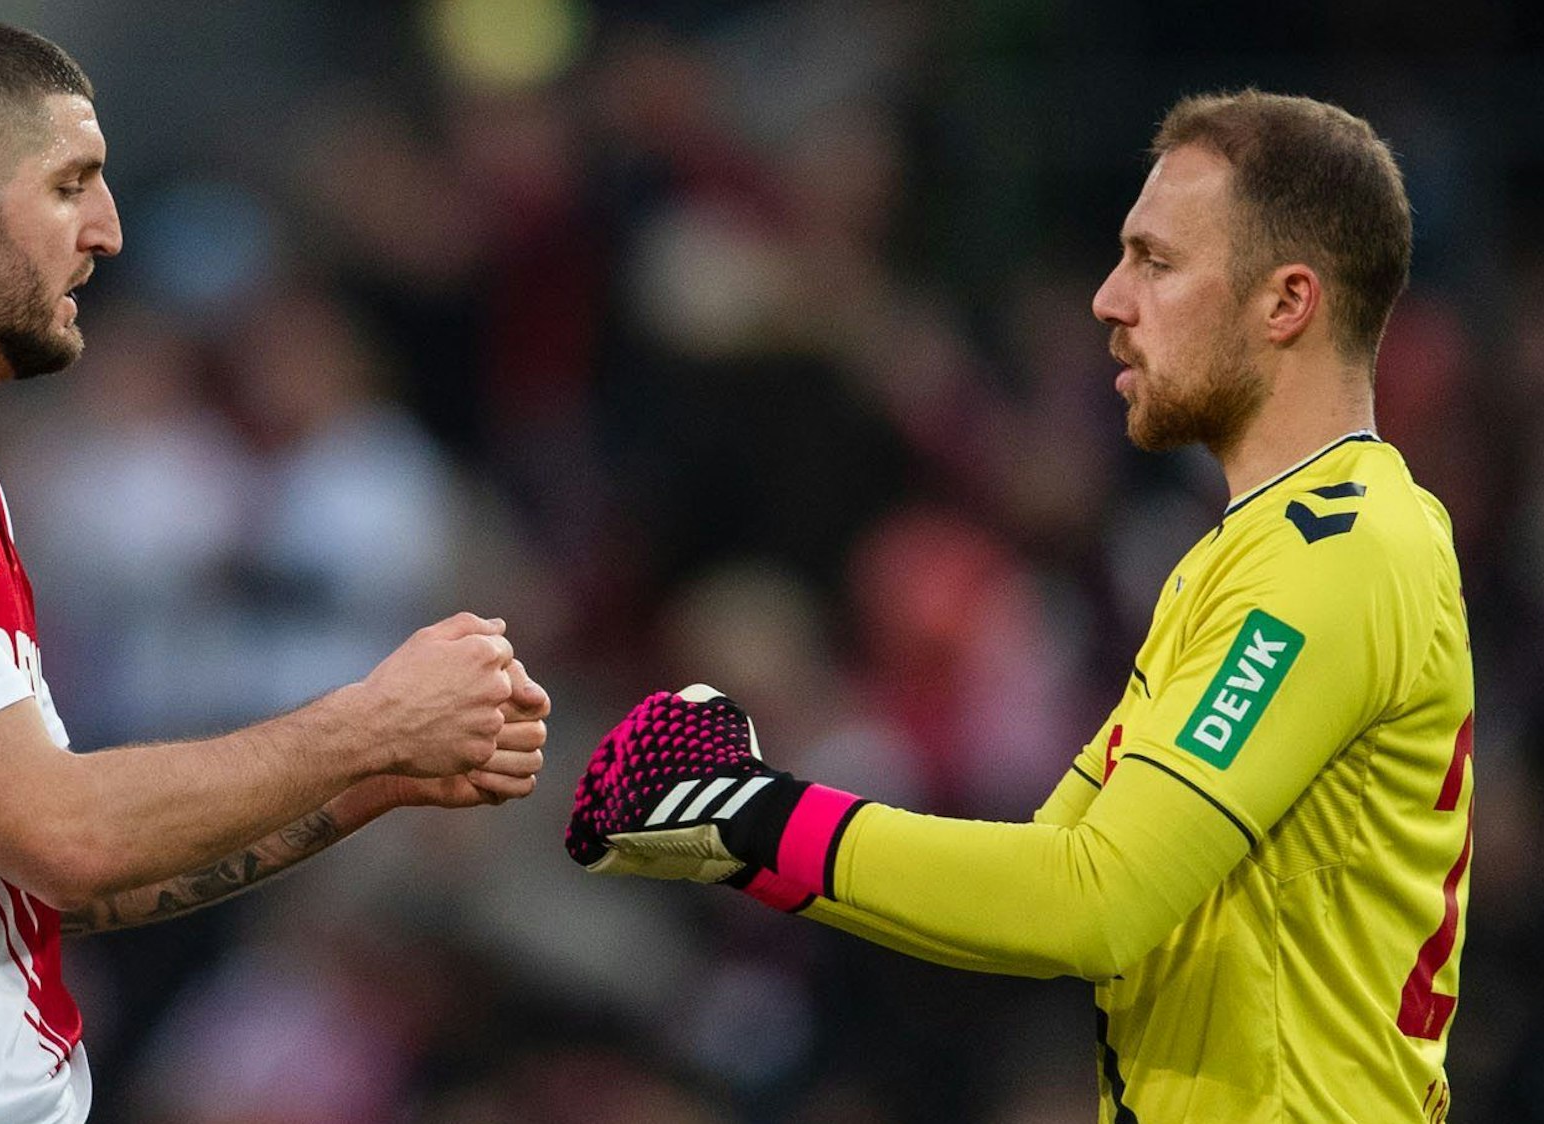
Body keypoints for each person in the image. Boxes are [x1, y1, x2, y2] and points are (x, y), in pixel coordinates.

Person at [0, 16, 548, 1123]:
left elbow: (48, 878)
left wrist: (380, 773)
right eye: (70, 184)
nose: (109, 231)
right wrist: (368, 723)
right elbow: (66, 836)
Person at [568, 90, 1472, 1123]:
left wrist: (745, 814)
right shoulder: (1251, 552)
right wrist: (747, 828)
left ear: (1285, 303)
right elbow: (1038, 875)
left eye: (1155, 262)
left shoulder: (1336, 553)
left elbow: (1092, 899)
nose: (1108, 299)